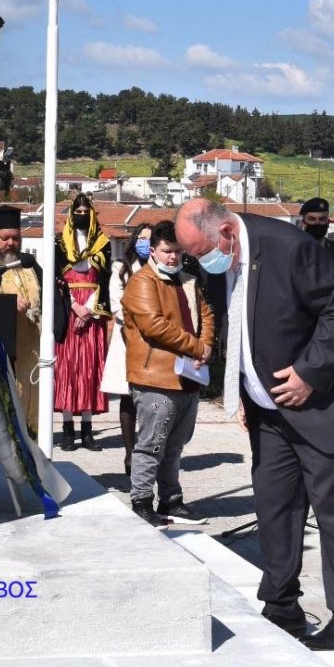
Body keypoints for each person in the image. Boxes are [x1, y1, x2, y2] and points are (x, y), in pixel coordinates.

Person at [175, 196, 334, 652]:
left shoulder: (288, 247)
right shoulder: (224, 259)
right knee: (274, 505)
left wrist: (311, 372)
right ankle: (281, 605)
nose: (196, 262)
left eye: (198, 252)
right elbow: (243, 325)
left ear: (226, 234)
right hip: (270, 411)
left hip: (328, 401)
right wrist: (245, 390)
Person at [121, 221, 214, 527]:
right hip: (155, 377)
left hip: (187, 376)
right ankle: (141, 500)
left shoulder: (187, 280)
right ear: (154, 251)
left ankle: (171, 500)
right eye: (166, 251)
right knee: (151, 444)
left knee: (175, 446)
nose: (173, 257)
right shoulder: (142, 281)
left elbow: (206, 314)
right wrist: (196, 347)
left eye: (177, 252)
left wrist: (206, 346)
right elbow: (154, 325)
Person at [0, 205, 43, 434]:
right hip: (3, 355)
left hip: (32, 355)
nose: (10, 243)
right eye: (4, 238)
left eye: (15, 238)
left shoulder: (27, 262)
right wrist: (6, 303)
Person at [54, 193, 110, 451]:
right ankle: (67, 429)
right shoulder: (59, 244)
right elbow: (56, 282)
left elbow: (106, 281)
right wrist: (73, 308)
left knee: (89, 370)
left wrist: (88, 310)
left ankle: (87, 430)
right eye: (77, 211)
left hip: (92, 314)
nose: (81, 215)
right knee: (68, 370)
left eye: (85, 211)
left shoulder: (103, 243)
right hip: (69, 311)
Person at [100, 223, 152, 473]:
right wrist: (138, 323)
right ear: (134, 240)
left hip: (154, 339)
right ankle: (130, 452)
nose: (146, 243)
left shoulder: (158, 268)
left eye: (150, 239)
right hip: (128, 335)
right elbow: (115, 303)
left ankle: (147, 449)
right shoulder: (121, 268)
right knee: (128, 395)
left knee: (150, 398)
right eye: (142, 238)